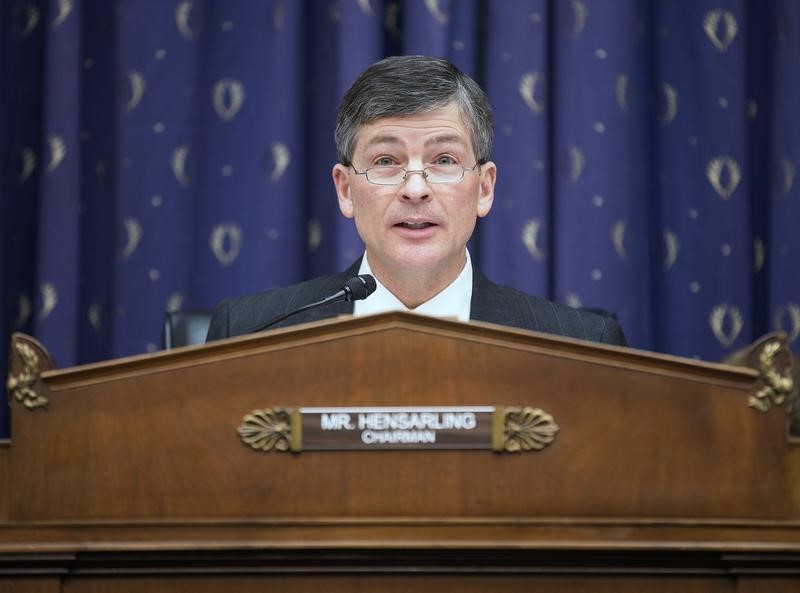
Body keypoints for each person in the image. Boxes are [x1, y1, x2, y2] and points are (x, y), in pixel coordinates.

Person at [206, 55, 626, 346]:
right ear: (345, 189)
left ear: (484, 187)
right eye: (386, 161)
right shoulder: (251, 334)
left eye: (444, 160)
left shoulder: (579, 345)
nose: (415, 188)